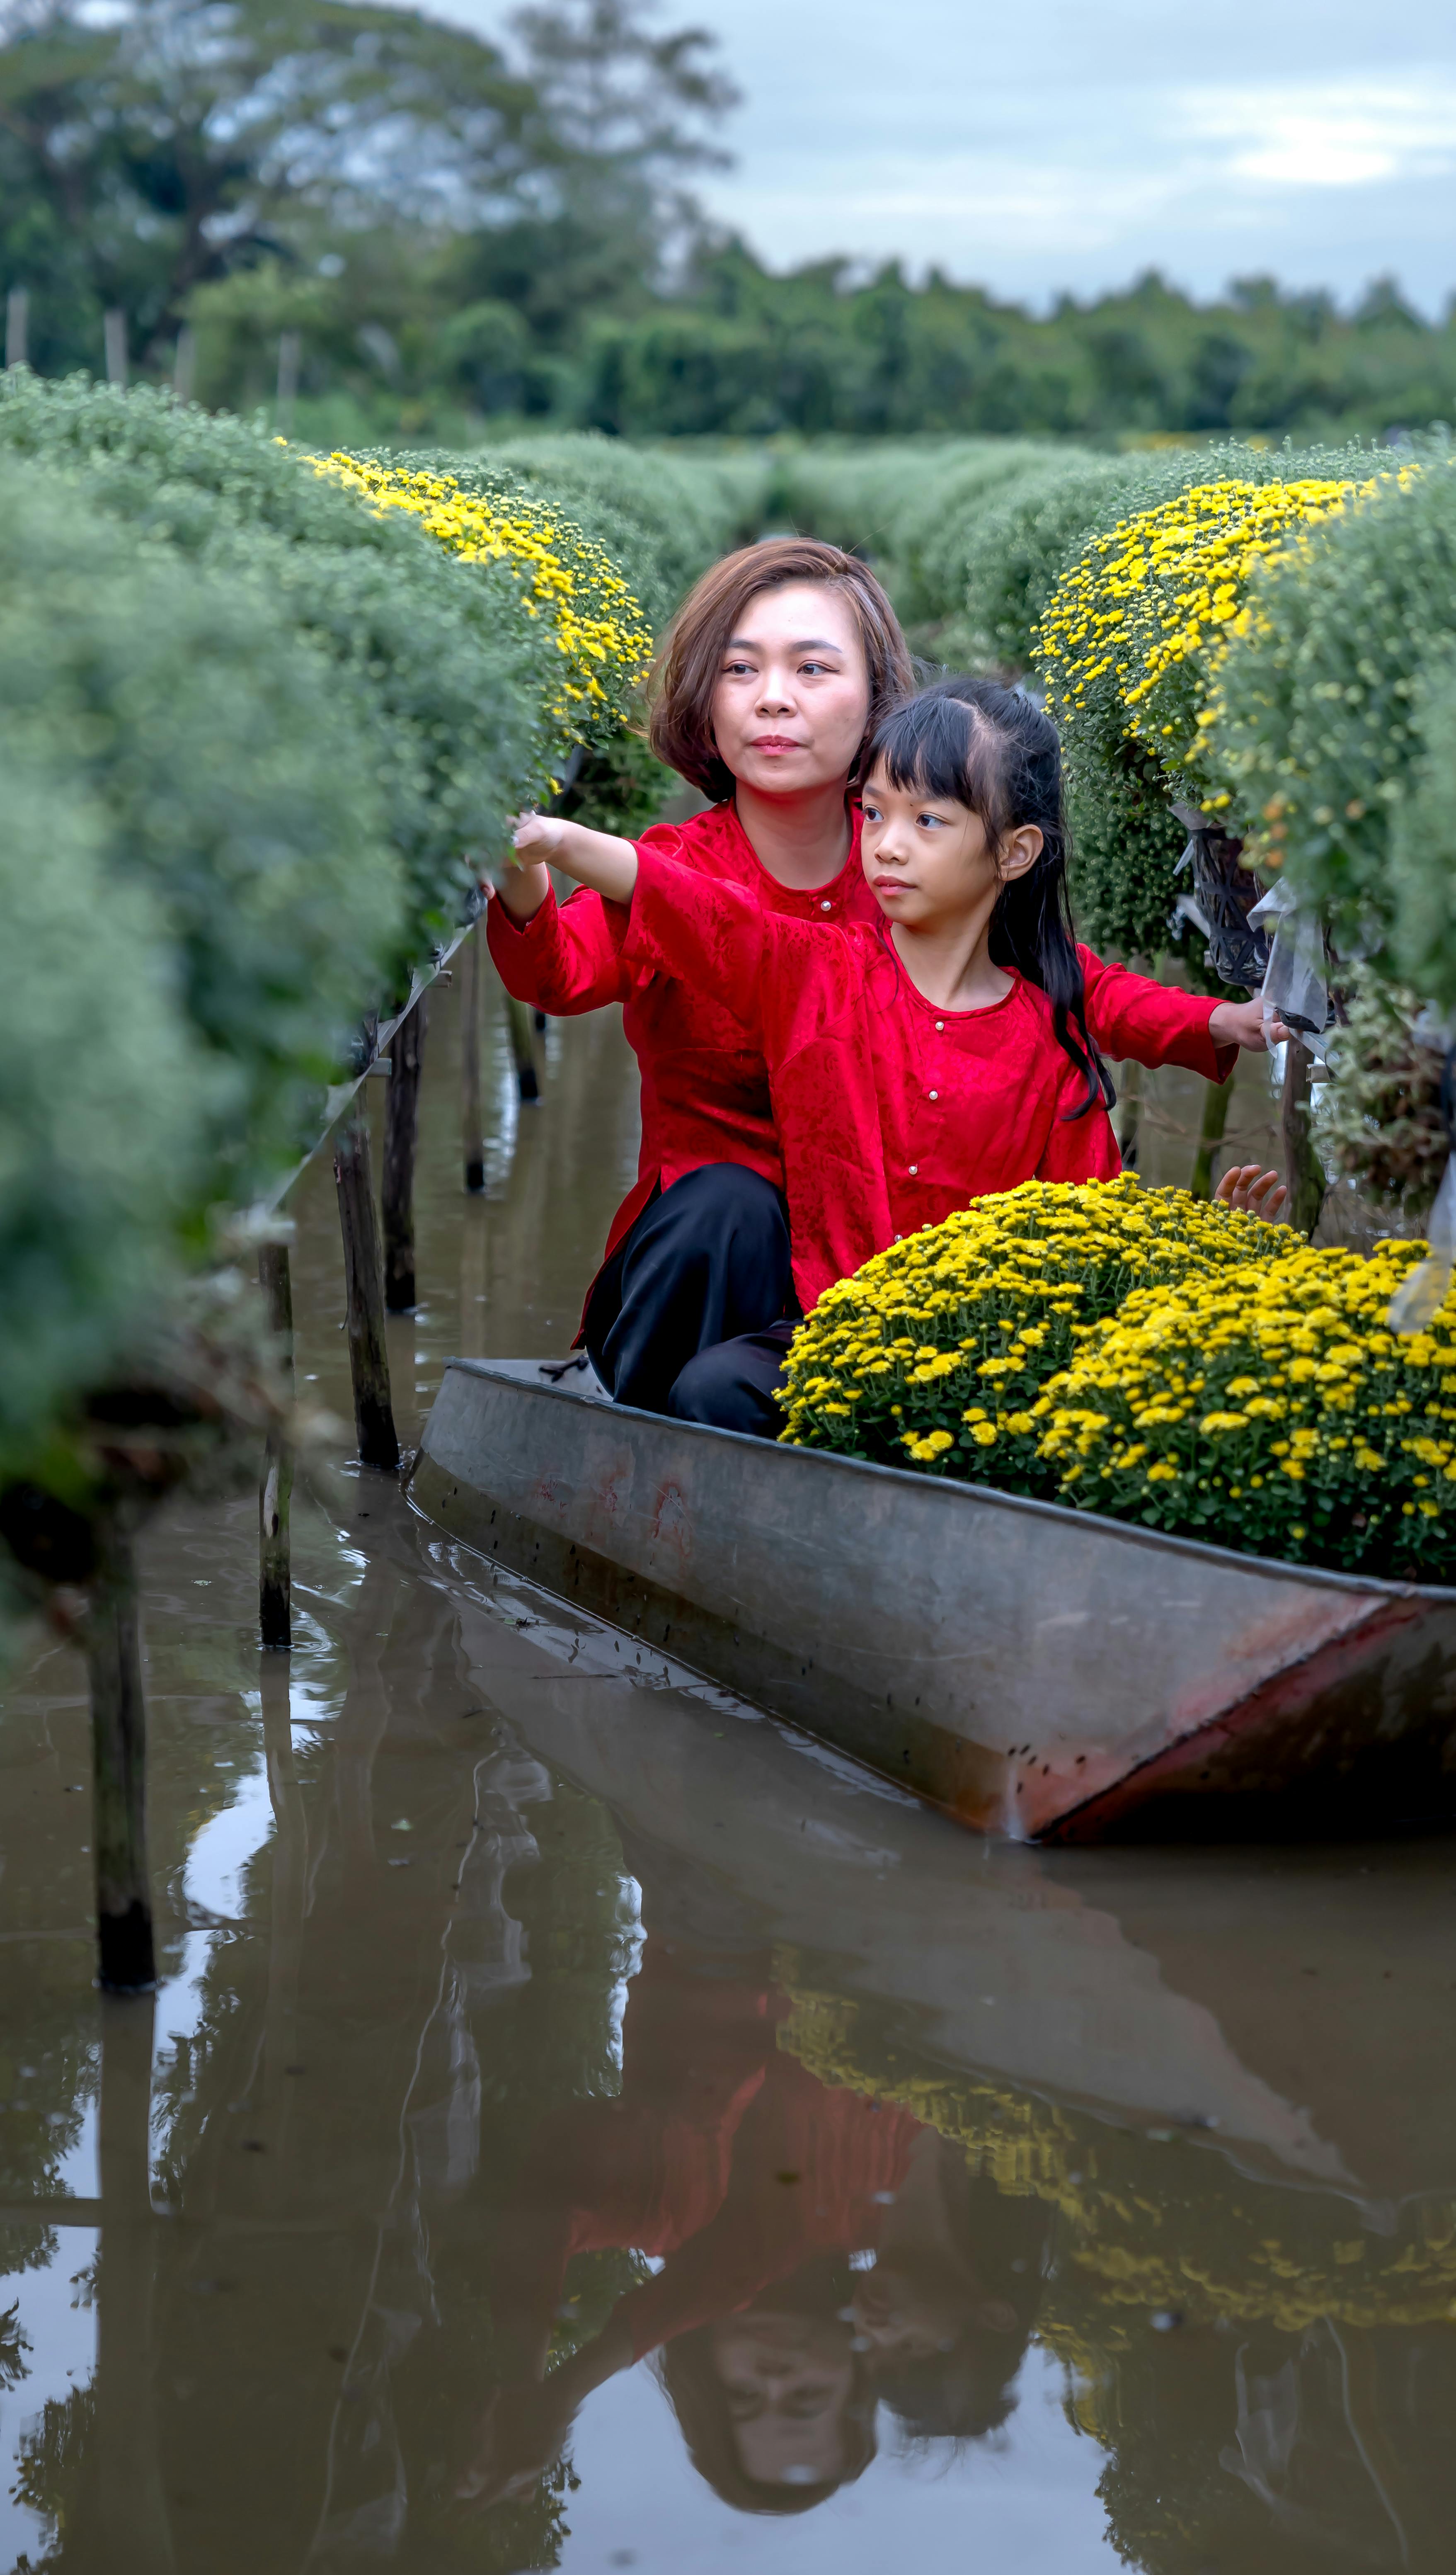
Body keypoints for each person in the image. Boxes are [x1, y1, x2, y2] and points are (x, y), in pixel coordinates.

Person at [508, 675, 1289, 1433]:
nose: (884, 846)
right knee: (715, 1389)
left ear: (1014, 852)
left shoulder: (1049, 1035)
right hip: (833, 1338)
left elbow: (1086, 1238)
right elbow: (703, 913)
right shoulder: (816, 970)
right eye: (874, 813)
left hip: (981, 1369)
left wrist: (1209, 1247)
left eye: (926, 823)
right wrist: (561, 842)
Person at [488, 536, 914, 1413]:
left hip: (872, 1265)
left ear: (875, 696)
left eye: (811, 669)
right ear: (704, 701)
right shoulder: (671, 867)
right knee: (733, 1204)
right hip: (696, 1281)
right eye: (739, 669)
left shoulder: (912, 866)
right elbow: (560, 974)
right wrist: (521, 867)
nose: (772, 700)